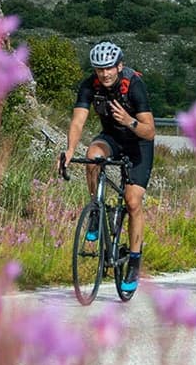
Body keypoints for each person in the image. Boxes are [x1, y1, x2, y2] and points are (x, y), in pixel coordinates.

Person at [58, 41, 156, 293]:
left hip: (138, 144)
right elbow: (78, 121)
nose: (104, 74)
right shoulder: (89, 86)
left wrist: (129, 120)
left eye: (109, 68)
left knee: (132, 201)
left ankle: (134, 260)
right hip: (112, 138)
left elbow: (150, 130)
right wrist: (70, 150)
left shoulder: (133, 85)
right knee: (92, 156)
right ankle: (95, 209)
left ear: (119, 66)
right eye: (99, 69)